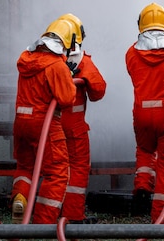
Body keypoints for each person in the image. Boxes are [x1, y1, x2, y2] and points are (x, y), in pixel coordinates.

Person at [11, 18, 77, 224]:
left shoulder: (26, 60)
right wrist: (68, 76)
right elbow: (67, 99)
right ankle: (43, 222)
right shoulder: (56, 65)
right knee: (57, 172)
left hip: (21, 122)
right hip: (45, 126)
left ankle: (20, 198)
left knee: (25, 167)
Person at [125, 3, 164, 224]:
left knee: (145, 149)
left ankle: (142, 184)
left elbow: (134, 73)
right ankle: (162, 215)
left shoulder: (131, 53)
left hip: (141, 113)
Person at [57, 13, 108, 224]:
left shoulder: (46, 59)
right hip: (75, 129)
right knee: (77, 170)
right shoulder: (82, 62)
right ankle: (73, 215)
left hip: (50, 128)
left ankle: (49, 214)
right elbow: (98, 91)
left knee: (55, 171)